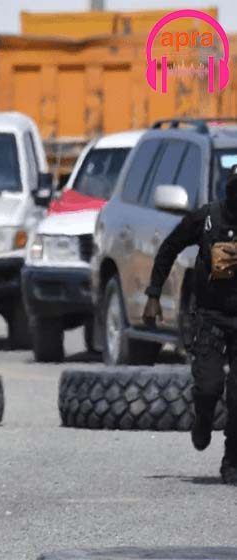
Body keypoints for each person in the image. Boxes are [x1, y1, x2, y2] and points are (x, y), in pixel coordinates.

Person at [144, 171, 237, 484]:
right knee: (209, 387)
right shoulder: (207, 218)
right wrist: (153, 295)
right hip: (210, 316)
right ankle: (204, 418)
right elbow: (170, 247)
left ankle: (231, 463)